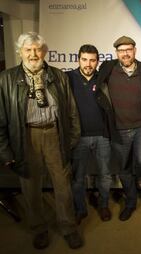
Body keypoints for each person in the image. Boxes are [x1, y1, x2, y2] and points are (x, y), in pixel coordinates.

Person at [0, 32, 82, 249]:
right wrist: (6, 152)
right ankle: (39, 228)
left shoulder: (58, 76)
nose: (33, 54)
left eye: (37, 49)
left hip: (55, 134)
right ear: (20, 52)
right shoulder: (6, 79)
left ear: (44, 51)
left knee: (63, 185)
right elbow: (0, 119)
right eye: (28, 50)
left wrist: (72, 138)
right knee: (30, 186)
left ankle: (68, 227)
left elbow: (71, 110)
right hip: (26, 137)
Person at [95, 36, 141, 221]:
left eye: (128, 49)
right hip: (119, 128)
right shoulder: (108, 68)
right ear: (116, 53)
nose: (125, 53)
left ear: (135, 50)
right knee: (123, 168)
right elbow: (97, 86)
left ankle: (139, 176)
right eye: (121, 50)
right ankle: (130, 202)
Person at [67, 44, 112, 223]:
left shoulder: (102, 78)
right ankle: (80, 209)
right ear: (78, 59)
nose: (88, 64)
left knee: (105, 175)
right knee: (78, 177)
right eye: (84, 59)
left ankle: (103, 205)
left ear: (97, 61)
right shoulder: (67, 78)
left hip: (102, 135)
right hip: (79, 137)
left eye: (92, 60)